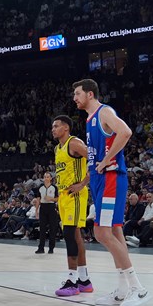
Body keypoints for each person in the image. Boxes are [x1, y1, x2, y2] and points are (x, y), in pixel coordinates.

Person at [73, 78, 150, 306]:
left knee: (101, 232)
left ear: (89, 94)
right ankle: (123, 289)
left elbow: (125, 132)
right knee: (115, 232)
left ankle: (139, 288)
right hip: (99, 180)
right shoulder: (89, 119)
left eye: (77, 93)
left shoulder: (104, 112)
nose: (74, 98)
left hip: (111, 178)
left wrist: (107, 160)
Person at [51, 115, 94, 296]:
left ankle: (72, 280)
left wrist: (83, 183)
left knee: (69, 235)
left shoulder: (74, 143)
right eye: (52, 127)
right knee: (75, 236)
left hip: (75, 194)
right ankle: (84, 281)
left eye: (56, 126)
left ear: (66, 128)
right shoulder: (57, 148)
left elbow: (95, 160)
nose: (53, 129)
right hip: (64, 195)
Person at [36, 172, 59, 254]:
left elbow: (57, 199)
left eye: (47, 176)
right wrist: (36, 211)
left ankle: (51, 248)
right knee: (42, 229)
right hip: (43, 208)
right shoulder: (40, 187)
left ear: (50, 178)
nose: (46, 178)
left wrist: (51, 198)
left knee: (52, 229)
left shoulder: (54, 187)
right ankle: (41, 248)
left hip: (51, 208)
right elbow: (38, 199)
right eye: (45, 176)